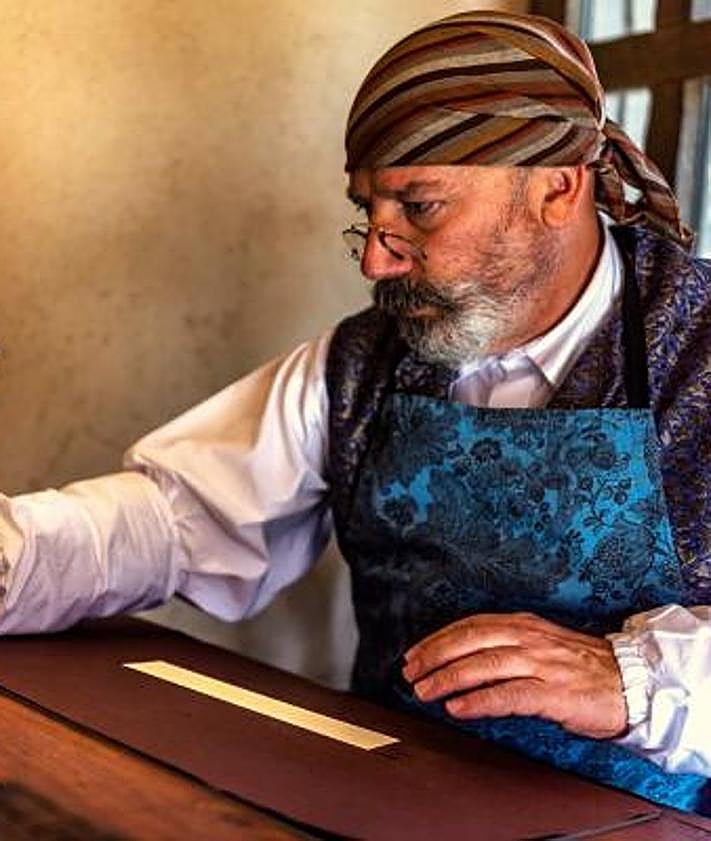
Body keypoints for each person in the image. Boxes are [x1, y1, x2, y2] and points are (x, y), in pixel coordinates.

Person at [1, 9, 710, 813]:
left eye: (420, 207)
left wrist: (634, 678)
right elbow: (173, 517)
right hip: (388, 810)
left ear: (556, 185)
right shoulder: (361, 363)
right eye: (368, 213)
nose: (375, 259)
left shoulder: (697, 349)